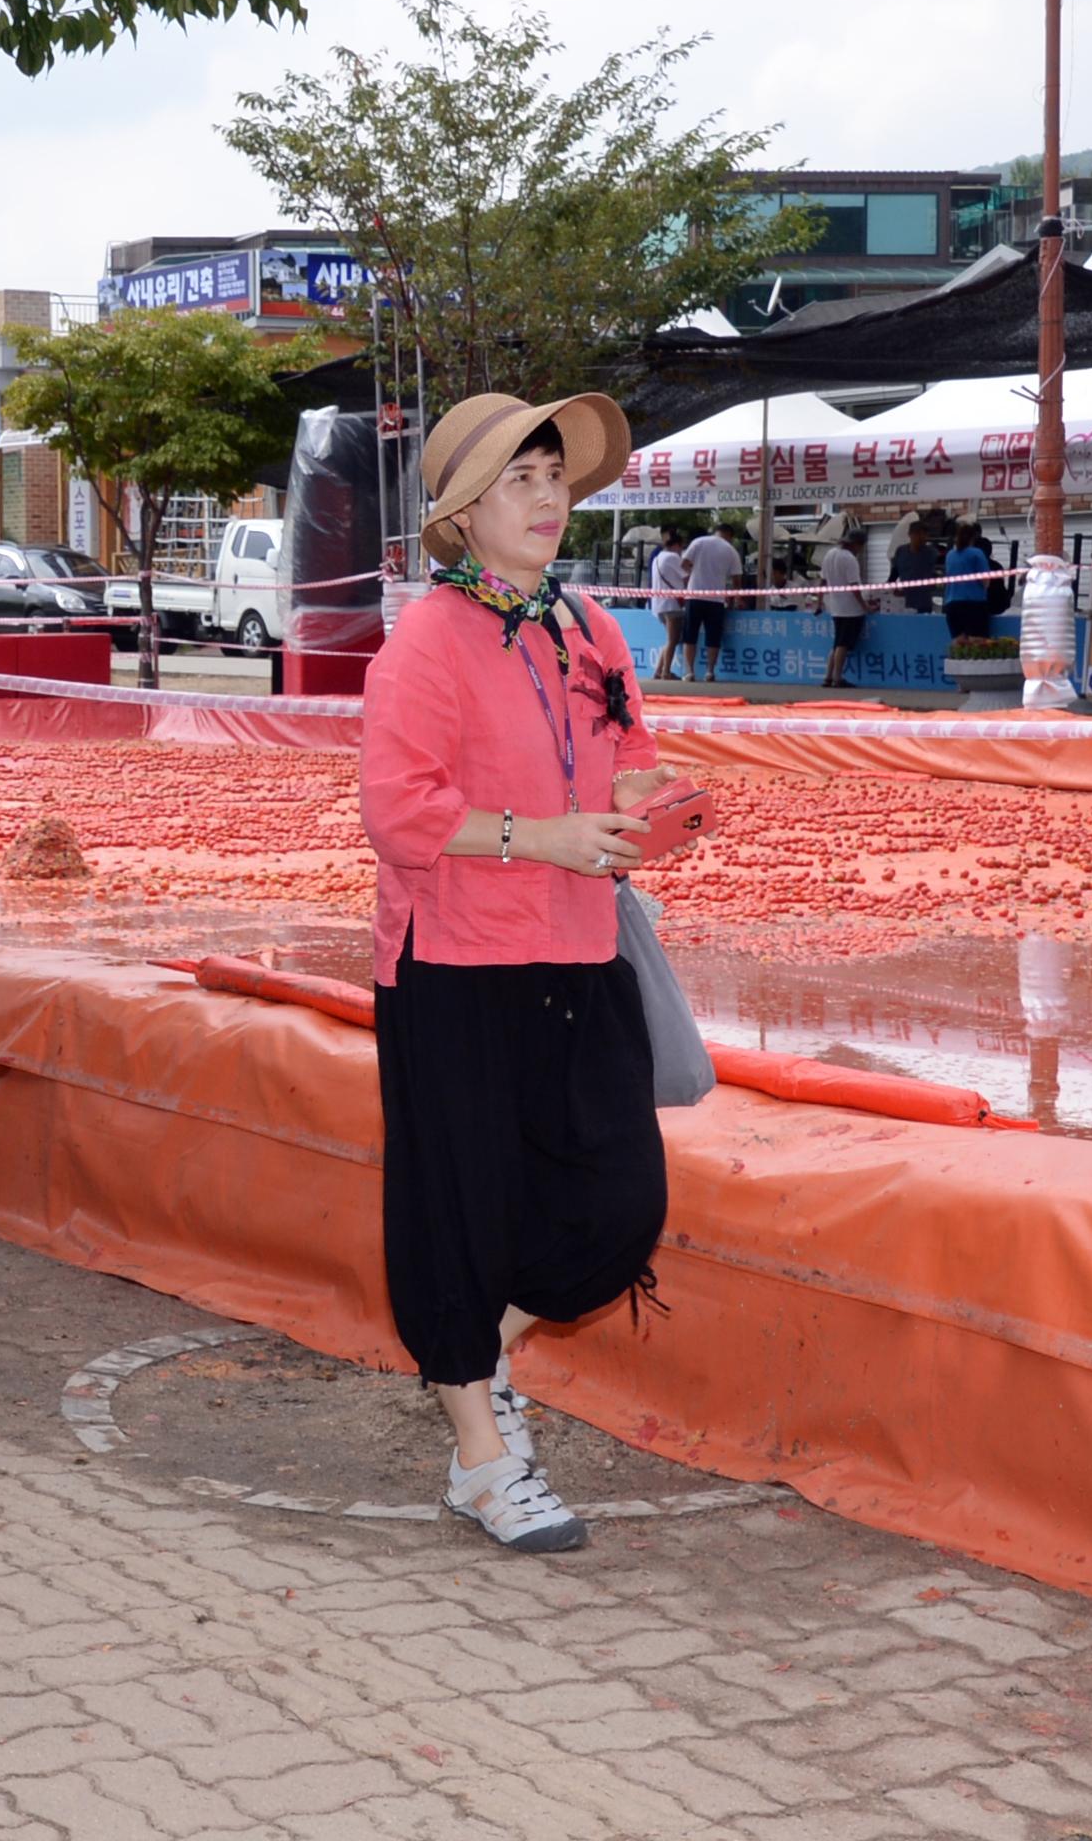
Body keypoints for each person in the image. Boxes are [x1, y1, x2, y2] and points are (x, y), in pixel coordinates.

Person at [359, 391, 678, 1555]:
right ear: (463, 513)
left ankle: (472, 1352)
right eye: (519, 481)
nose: (547, 500)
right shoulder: (422, 645)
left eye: (553, 477)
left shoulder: (586, 625)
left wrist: (643, 798)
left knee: (616, 1205)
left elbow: (624, 749)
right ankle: (480, 1459)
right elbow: (396, 814)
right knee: (455, 1208)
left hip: (579, 948)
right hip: (453, 963)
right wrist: (539, 835)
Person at [679, 519, 744, 683]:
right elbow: (737, 580)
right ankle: (709, 671)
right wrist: (736, 599)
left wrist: (694, 574)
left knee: (690, 635)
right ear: (729, 536)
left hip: (694, 595)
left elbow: (684, 563)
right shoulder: (731, 550)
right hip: (716, 599)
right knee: (713, 637)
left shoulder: (699, 542)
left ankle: (690, 672)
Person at [819, 521, 868, 691]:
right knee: (843, 644)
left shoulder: (829, 554)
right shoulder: (850, 559)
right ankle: (837, 678)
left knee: (837, 642)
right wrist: (865, 606)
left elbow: (822, 581)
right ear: (856, 544)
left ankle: (828, 676)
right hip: (851, 609)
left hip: (835, 606)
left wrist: (819, 601)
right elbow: (854, 587)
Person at [647, 527, 692, 681]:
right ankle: (666, 672)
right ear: (677, 545)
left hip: (659, 604)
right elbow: (686, 577)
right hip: (672, 604)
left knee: (669, 639)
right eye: (681, 548)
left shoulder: (657, 558)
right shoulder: (672, 558)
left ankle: (659, 670)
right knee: (673, 640)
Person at [945, 523, 995, 639]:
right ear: (974, 538)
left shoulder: (950, 555)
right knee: (977, 643)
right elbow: (985, 581)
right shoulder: (976, 553)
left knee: (959, 643)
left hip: (952, 604)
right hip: (974, 603)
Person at [892, 517, 943, 615]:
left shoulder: (932, 553)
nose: (922, 538)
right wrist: (890, 589)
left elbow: (940, 574)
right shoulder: (901, 551)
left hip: (923, 602)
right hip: (903, 601)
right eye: (918, 534)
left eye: (924, 535)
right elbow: (895, 572)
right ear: (910, 535)